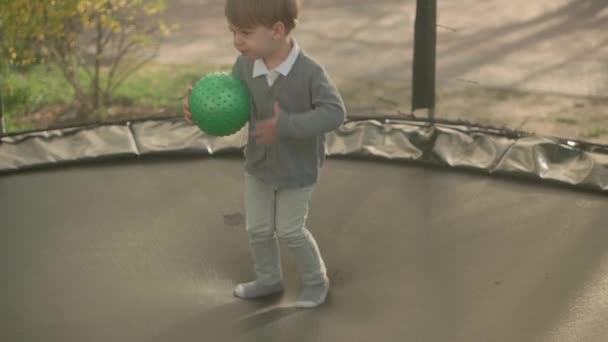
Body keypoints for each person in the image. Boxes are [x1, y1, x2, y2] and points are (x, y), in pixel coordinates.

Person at [183, 0, 346, 308]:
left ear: (277, 30)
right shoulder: (244, 66)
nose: (236, 41)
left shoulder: (310, 73)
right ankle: (269, 279)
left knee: (290, 230)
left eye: (244, 32)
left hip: (297, 170)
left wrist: (284, 125)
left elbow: (335, 114)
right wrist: (201, 112)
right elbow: (233, 110)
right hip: (258, 165)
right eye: (232, 32)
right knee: (258, 228)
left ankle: (315, 281)